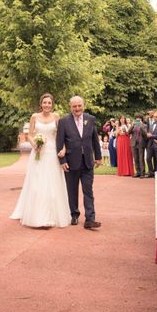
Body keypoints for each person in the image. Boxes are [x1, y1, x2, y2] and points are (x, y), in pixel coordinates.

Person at [11, 93, 70, 228]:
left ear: (52, 104)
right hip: (38, 153)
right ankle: (37, 215)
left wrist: (64, 149)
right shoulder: (34, 117)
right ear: (41, 104)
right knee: (37, 182)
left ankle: (52, 214)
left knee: (52, 181)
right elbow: (30, 135)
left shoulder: (56, 117)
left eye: (49, 103)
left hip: (52, 153)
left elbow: (60, 136)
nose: (47, 105)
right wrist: (35, 145)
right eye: (45, 103)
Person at [56, 95, 102, 230]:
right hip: (71, 162)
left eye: (79, 105)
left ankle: (90, 219)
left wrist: (98, 156)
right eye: (74, 106)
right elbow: (59, 142)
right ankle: (74, 214)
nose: (77, 108)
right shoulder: (64, 121)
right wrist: (62, 160)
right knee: (72, 190)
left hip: (88, 161)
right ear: (70, 107)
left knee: (88, 190)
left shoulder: (90, 119)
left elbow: (95, 140)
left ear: (83, 106)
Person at [145, 110, 157, 176]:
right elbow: (149, 133)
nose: (155, 118)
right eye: (154, 117)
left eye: (156, 117)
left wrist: (152, 136)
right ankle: (151, 172)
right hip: (150, 144)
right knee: (148, 158)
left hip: (156, 144)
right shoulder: (151, 125)